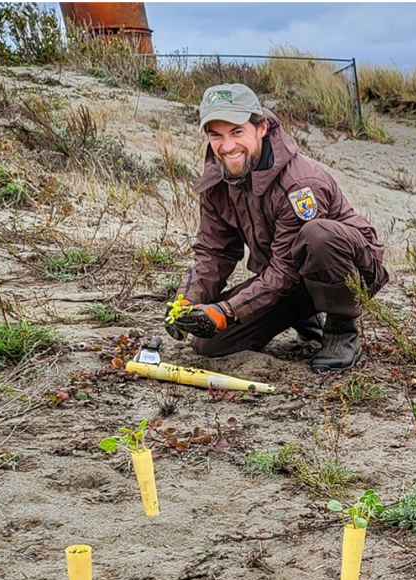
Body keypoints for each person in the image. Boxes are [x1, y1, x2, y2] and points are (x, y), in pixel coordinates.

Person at [165, 83, 389, 371]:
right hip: (287, 279)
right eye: (216, 135)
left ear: (261, 127)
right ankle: (303, 316)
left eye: (236, 132)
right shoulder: (216, 182)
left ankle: (340, 332)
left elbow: (284, 270)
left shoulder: (300, 183)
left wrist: (228, 310)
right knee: (209, 344)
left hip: (350, 272)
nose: (227, 146)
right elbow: (213, 251)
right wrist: (187, 302)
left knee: (317, 236)